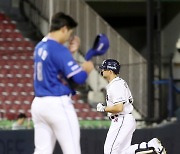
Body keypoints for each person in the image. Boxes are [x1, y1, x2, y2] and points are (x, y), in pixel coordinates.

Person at [31, 12, 94, 154]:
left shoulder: (40, 46)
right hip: (57, 104)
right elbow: (78, 79)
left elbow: (55, 69)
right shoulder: (58, 49)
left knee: (42, 151)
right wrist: (86, 69)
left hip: (39, 104)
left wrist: (70, 53)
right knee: (72, 150)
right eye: (69, 32)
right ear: (64, 28)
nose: (69, 37)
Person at [97, 59, 166, 154]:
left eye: (104, 69)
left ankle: (151, 145)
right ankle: (150, 145)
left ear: (110, 71)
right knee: (123, 152)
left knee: (110, 151)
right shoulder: (118, 83)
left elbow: (119, 108)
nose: (102, 71)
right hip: (124, 119)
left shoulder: (116, 85)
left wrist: (104, 108)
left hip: (121, 119)